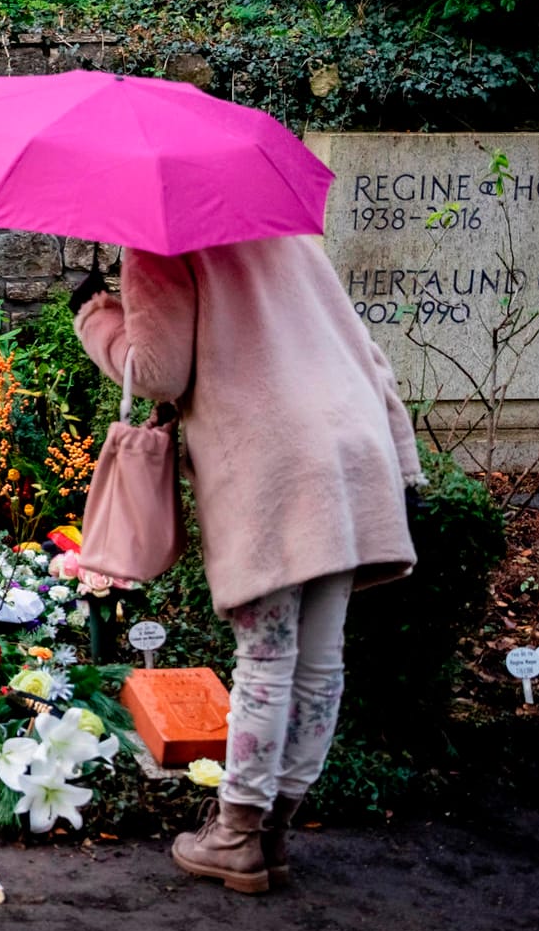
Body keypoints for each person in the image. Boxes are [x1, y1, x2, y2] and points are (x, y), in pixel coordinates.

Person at [71, 235, 424, 895]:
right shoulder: (285, 230)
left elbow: (157, 371)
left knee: (265, 658)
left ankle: (235, 833)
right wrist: (404, 461)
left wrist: (96, 317)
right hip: (351, 450)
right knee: (320, 658)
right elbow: (362, 349)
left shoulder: (159, 240)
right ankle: (272, 832)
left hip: (271, 466)